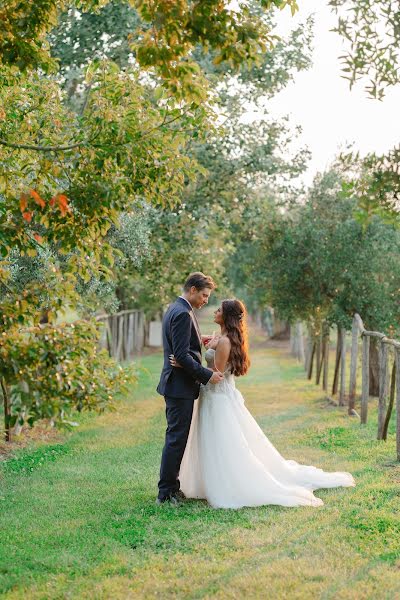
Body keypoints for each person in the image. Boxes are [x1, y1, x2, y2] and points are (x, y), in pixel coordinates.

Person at [171, 299, 355, 509]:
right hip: (217, 396)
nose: (215, 311)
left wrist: (187, 365)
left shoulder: (224, 342)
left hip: (217, 398)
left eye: (219, 310)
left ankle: (229, 482)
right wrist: (208, 343)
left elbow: (217, 375)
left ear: (227, 316)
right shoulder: (223, 338)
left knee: (222, 443)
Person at [156, 272, 224, 505]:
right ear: (193, 289)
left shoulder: (177, 308)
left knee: (176, 438)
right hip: (179, 387)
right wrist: (208, 375)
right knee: (176, 439)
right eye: (204, 295)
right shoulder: (183, 313)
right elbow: (182, 355)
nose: (206, 300)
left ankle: (172, 487)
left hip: (177, 385)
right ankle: (165, 493)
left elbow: (183, 348)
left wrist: (198, 340)